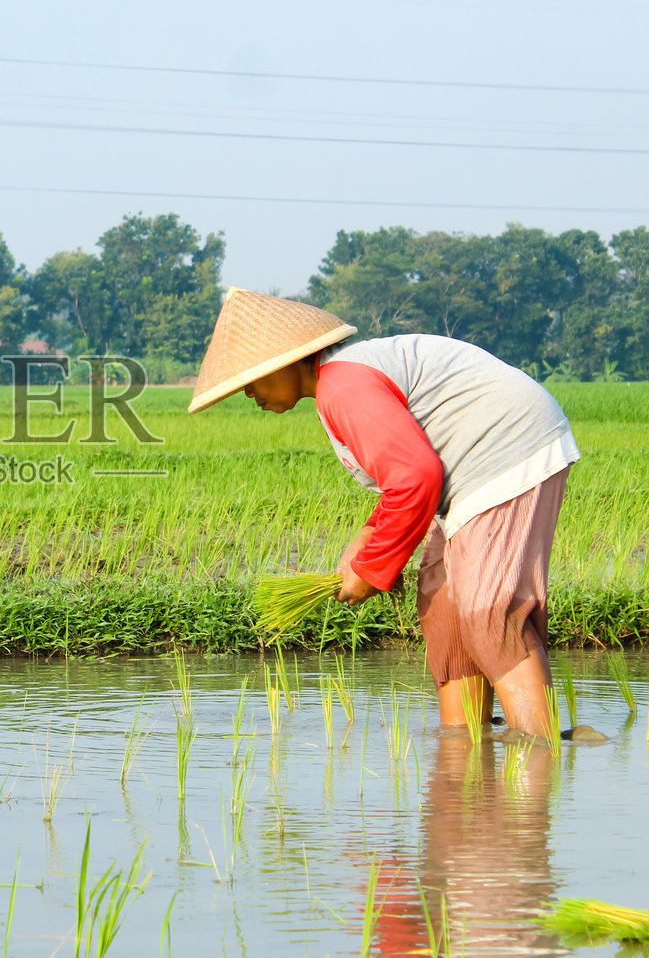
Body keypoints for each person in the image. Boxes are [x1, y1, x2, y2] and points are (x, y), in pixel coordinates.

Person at [188, 289, 579, 739]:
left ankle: (538, 750)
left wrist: (374, 568)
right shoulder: (339, 385)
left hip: (505, 449)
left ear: (289, 361)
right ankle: (465, 747)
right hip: (468, 473)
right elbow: (404, 474)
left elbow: (417, 477)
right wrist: (368, 538)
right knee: (444, 610)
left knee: (486, 608)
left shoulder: (343, 385)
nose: (248, 393)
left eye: (251, 380)